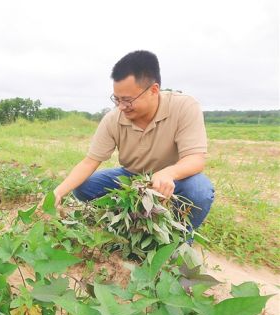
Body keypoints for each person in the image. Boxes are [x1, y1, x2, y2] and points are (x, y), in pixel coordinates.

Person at [53, 50, 214, 231]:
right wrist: (57, 193)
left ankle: (178, 237)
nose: (121, 107)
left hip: (174, 181)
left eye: (128, 100)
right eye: (117, 99)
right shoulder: (113, 119)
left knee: (199, 190)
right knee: (83, 186)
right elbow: (90, 162)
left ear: (153, 90)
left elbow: (195, 159)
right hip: (132, 177)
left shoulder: (184, 106)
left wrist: (169, 173)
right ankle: (129, 219)